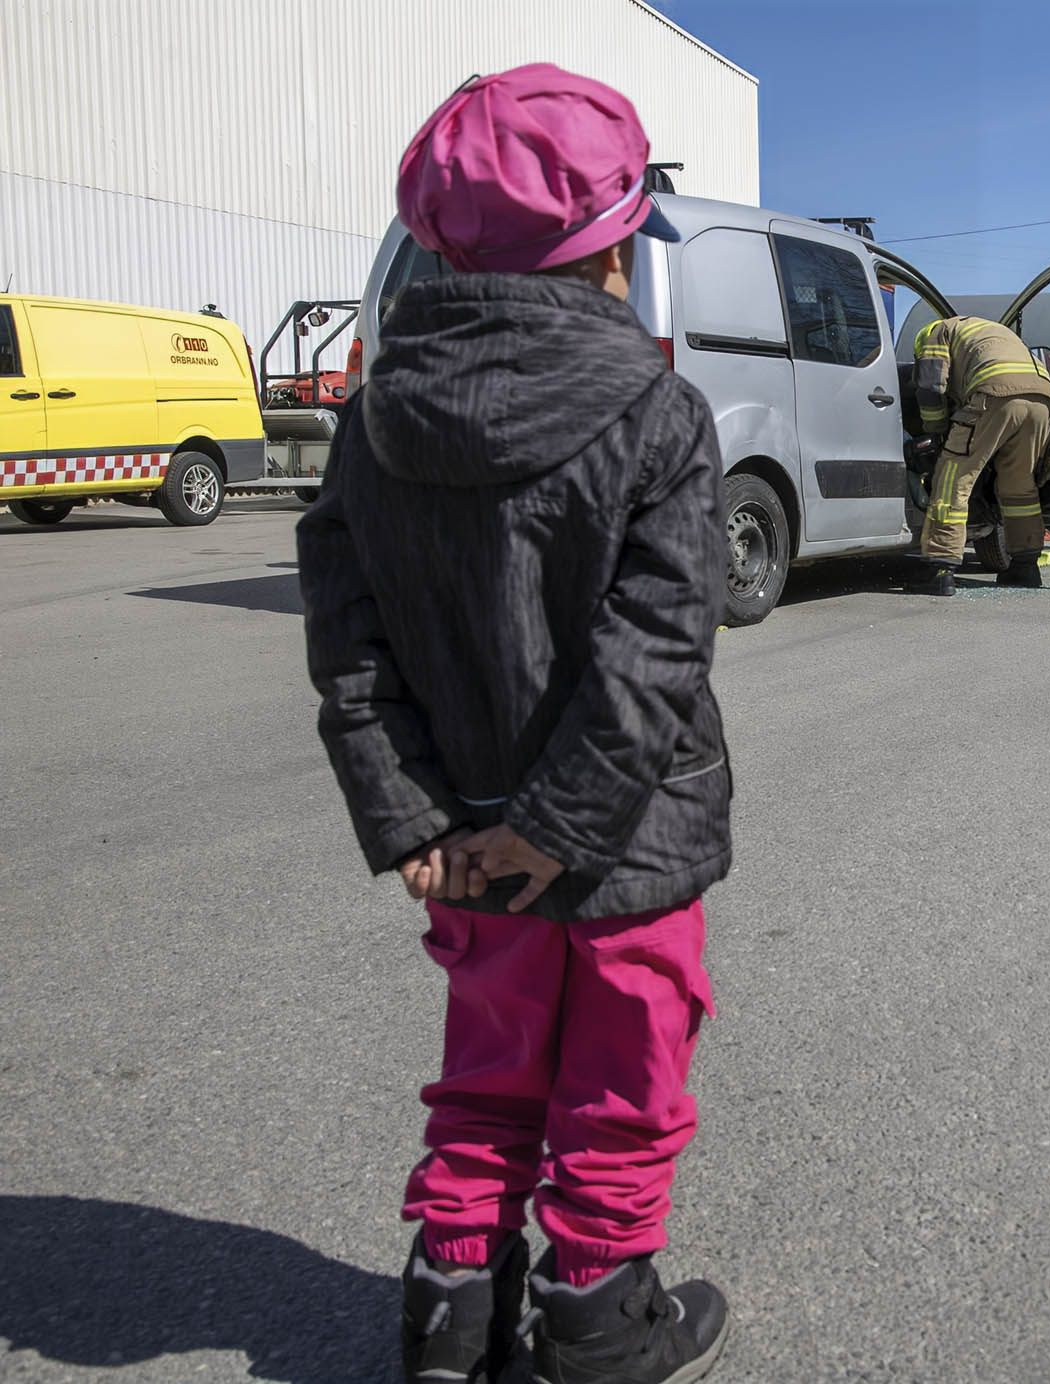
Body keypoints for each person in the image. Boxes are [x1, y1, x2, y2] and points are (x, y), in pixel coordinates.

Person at [296, 65, 733, 1384]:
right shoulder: (659, 412)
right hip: (623, 850)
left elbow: (348, 645)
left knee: (487, 1074)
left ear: (431, 238)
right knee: (621, 1087)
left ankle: (451, 1322)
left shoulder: (375, 423)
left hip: (468, 851)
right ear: (611, 249)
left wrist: (417, 816)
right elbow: (652, 657)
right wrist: (560, 831)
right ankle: (594, 1324)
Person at [910, 314, 1050, 593]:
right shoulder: (987, 331)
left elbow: (931, 388)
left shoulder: (933, 334)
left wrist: (937, 432)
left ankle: (940, 569)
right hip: (1043, 398)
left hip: (995, 391)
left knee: (954, 478)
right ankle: (1025, 567)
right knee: (1020, 486)